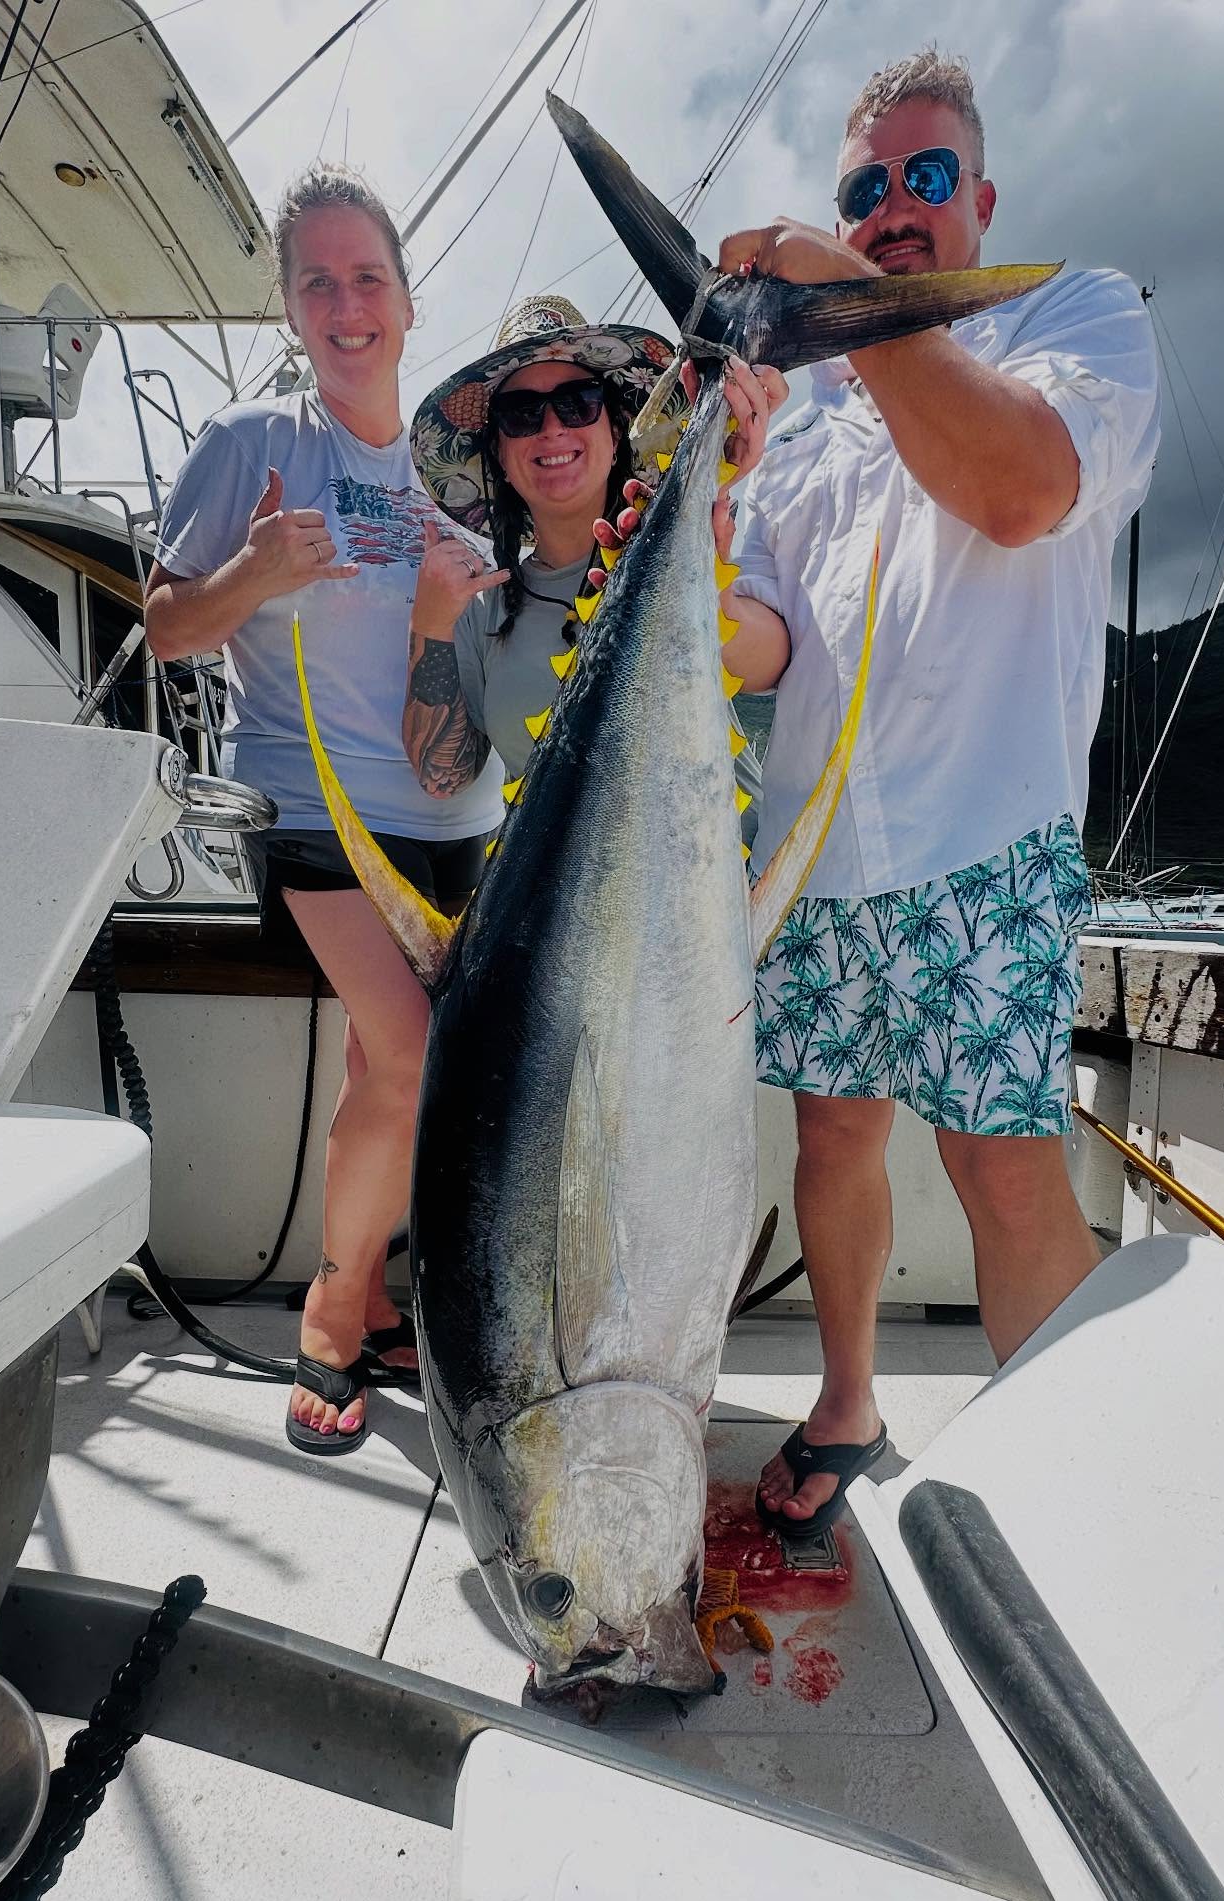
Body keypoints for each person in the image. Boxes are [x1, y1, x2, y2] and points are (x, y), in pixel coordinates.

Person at [719, 49, 1162, 1538]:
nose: (892, 209)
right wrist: (687, 533)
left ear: (976, 197)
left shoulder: (1077, 314)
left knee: (1003, 1167)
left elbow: (1020, 488)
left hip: (989, 839)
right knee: (832, 1135)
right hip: (820, 857)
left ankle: (1090, 1489)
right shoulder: (801, 416)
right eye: (863, 189)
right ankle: (846, 1404)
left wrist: (831, 283)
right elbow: (763, 647)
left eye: (920, 181)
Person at [144, 165, 504, 1457]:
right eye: (319, 281)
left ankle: (380, 1296)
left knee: (381, 1071)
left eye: (369, 277)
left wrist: (441, 622)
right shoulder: (254, 445)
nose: (346, 304)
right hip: (309, 812)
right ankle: (336, 1313)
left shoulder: (459, 473)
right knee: (409, 1056)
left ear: (408, 300)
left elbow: (460, 708)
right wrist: (254, 568)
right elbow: (169, 630)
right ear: (291, 307)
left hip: (455, 824)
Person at [401, 293, 787, 803]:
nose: (553, 427)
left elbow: (771, 665)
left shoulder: (697, 536)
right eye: (521, 414)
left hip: (721, 880)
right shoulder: (480, 610)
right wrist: (429, 624)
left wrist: (703, 592)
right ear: (498, 450)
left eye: (577, 402)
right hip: (558, 886)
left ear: (616, 426)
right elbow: (444, 776)